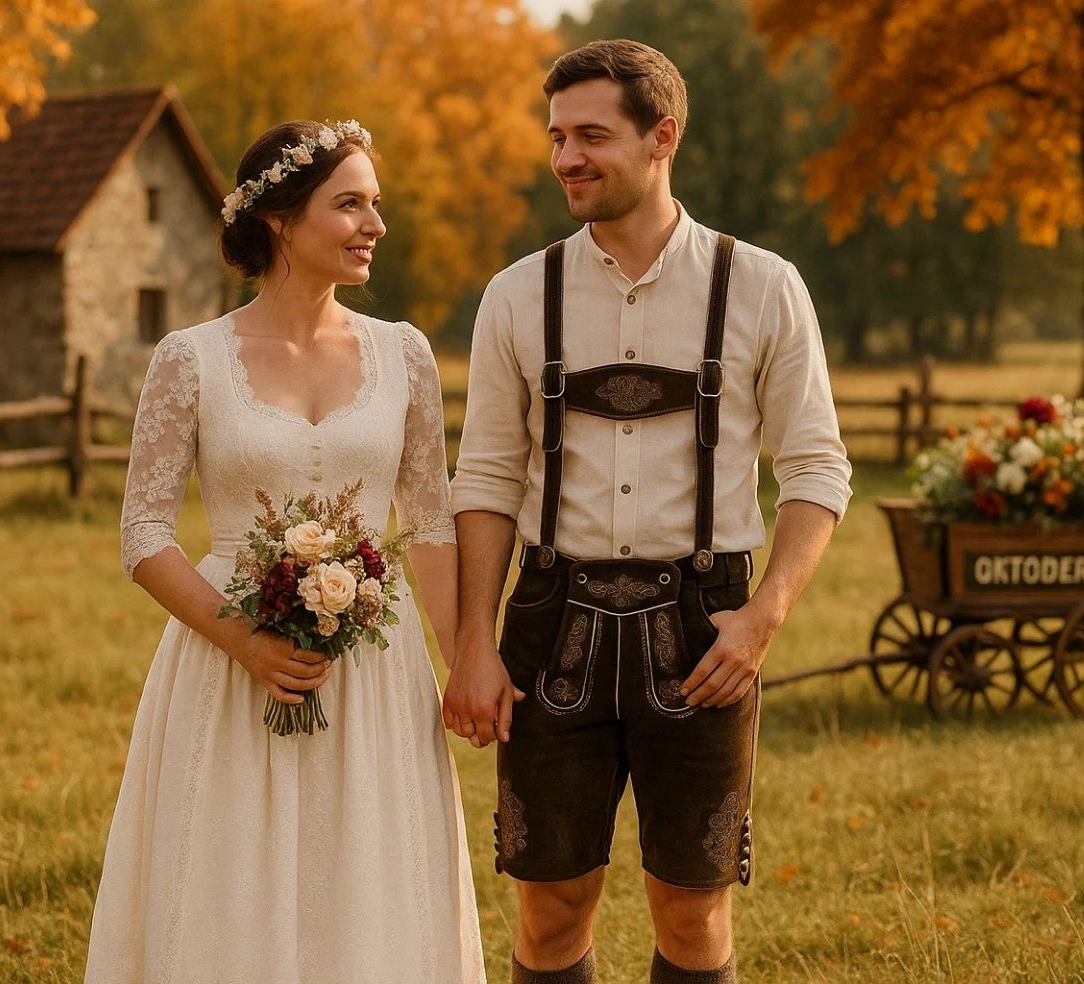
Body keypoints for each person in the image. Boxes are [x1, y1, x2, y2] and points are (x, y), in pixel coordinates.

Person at [443, 40, 852, 984]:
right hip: (551, 625)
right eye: (556, 137)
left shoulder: (762, 287)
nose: (565, 159)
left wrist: (764, 618)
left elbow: (817, 467)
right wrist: (472, 637)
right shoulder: (517, 295)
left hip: (704, 625)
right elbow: (488, 479)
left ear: (662, 135)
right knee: (549, 912)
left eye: (592, 135)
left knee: (693, 915)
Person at [84, 119, 485, 983]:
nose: (375, 224)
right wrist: (241, 639)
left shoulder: (405, 354)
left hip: (376, 669)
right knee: (234, 871)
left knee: (369, 872)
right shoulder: (190, 359)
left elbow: (430, 521)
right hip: (227, 661)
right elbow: (144, 532)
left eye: (376, 204)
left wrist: (461, 667)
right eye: (350, 205)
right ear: (280, 220)